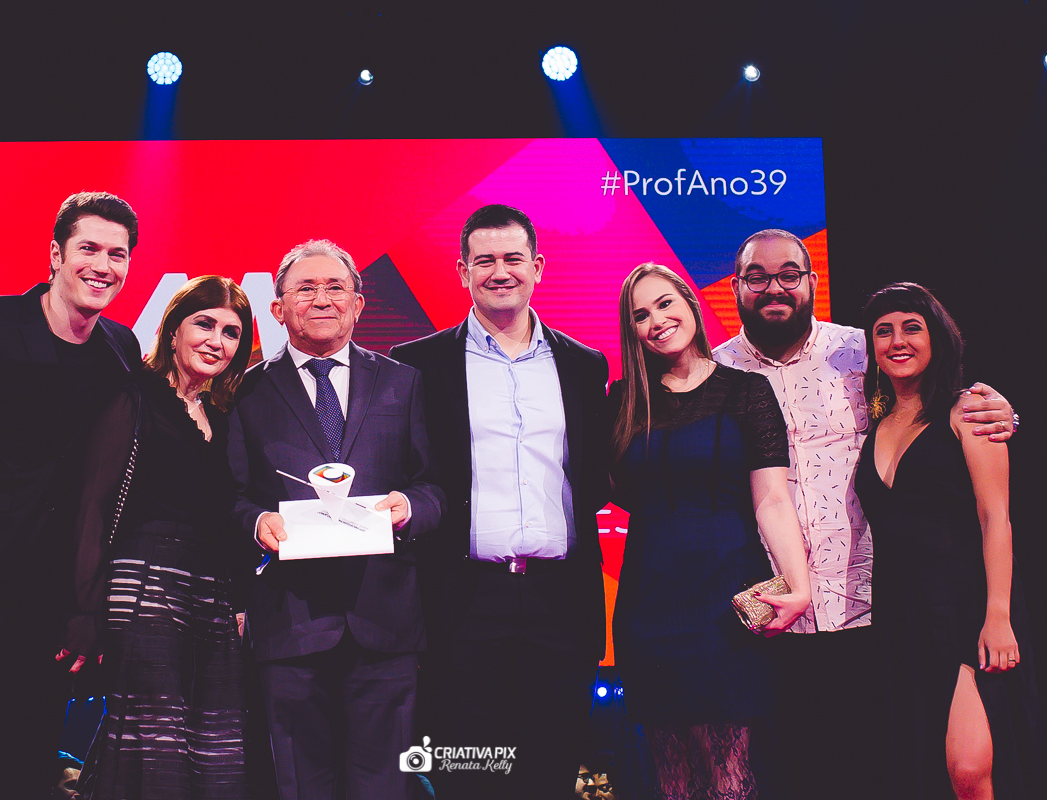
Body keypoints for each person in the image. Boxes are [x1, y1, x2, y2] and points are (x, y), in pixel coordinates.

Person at [712, 229, 1016, 797]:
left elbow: (939, 403)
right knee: (787, 777)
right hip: (775, 614)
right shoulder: (716, 372)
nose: (774, 287)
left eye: (789, 274)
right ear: (736, 287)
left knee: (891, 771)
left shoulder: (861, 351)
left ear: (812, 281)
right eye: (758, 276)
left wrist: (1001, 412)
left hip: (875, 607)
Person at [0, 192, 142, 800]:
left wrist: (88, 605)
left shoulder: (120, 349)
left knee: (33, 767)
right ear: (56, 255)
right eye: (88, 249)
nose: (103, 265)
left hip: (52, 603)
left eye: (117, 254)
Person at [389, 204, 610, 799]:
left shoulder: (585, 365)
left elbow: (594, 478)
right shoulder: (416, 365)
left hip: (561, 602)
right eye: (484, 260)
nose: (500, 271)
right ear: (462, 272)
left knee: (549, 774)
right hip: (460, 602)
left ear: (538, 266)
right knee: (469, 775)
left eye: (514, 258)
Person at [227, 239, 444, 800]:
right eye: (305, 288)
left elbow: (435, 486)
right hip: (290, 624)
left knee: (384, 786)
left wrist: (410, 507)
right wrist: (256, 523)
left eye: (335, 287)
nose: (321, 299)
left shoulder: (403, 381)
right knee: (301, 785)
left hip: (385, 623)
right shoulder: (244, 389)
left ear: (358, 303)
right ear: (278, 308)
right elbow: (230, 495)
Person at [610, 263, 811, 799]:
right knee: (673, 780)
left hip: (726, 598)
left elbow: (772, 499)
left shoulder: (746, 391)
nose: (656, 321)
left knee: (729, 779)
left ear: (690, 304)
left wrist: (799, 584)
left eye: (665, 304)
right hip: (648, 603)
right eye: (640, 315)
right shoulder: (623, 400)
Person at [60, 276, 254, 799]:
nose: (217, 341)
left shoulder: (223, 416)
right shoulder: (135, 396)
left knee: (214, 747)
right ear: (172, 331)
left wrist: (237, 600)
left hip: (211, 595)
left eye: (232, 332)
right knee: (153, 746)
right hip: (144, 584)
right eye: (205, 324)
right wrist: (85, 611)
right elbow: (93, 508)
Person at [854, 283, 1040, 799]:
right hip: (902, 614)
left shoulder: (968, 409)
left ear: (937, 336)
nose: (897, 340)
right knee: (924, 766)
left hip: (966, 606)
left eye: (912, 327)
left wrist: (998, 615)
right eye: (884, 331)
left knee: (970, 766)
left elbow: (996, 517)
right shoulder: (875, 422)